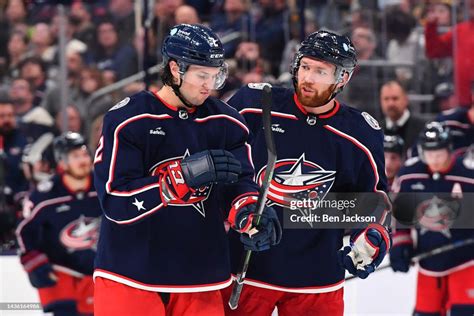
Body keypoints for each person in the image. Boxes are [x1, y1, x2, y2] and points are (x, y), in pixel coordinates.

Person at [92, 24, 281, 316]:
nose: (210, 85)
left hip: (200, 276)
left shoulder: (227, 122)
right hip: (130, 274)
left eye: (216, 75)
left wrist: (249, 214)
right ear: (175, 68)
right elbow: (116, 202)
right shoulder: (129, 119)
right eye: (202, 75)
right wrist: (181, 178)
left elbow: (241, 182)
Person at [222, 30, 391, 315]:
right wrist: (236, 214)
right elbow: (220, 168)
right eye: (305, 67)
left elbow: (371, 202)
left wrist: (372, 238)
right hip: (246, 267)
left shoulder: (360, 133)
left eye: (321, 71)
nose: (308, 78)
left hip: (317, 280)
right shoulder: (253, 105)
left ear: (343, 79)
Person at [390, 122, 474, 316]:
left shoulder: (468, 176)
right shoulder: (410, 177)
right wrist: (401, 245)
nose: (434, 160)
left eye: (439, 154)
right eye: (429, 154)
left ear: (450, 149)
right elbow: (399, 216)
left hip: (466, 261)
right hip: (429, 260)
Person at [15, 132, 102, 315]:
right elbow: (24, 230)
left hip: (98, 272)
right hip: (61, 274)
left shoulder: (103, 186)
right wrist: (33, 261)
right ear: (62, 163)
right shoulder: (45, 194)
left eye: (85, 154)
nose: (83, 160)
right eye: (75, 156)